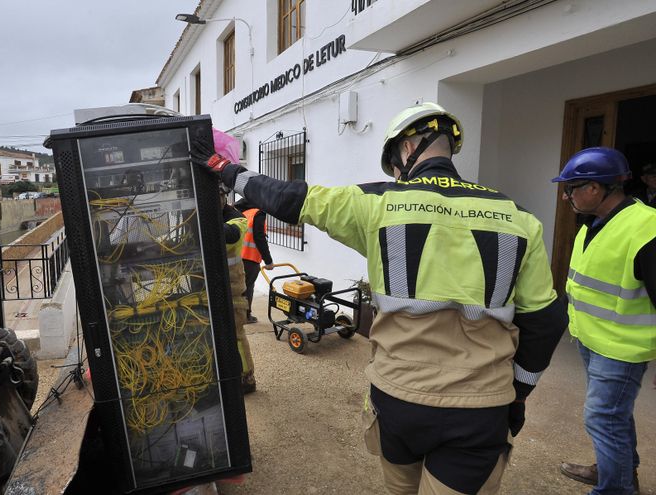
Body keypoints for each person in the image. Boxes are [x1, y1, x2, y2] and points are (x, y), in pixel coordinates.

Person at [197, 102, 567, 494]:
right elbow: (546, 321)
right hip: (480, 410)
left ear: (406, 150)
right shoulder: (519, 218)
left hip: (397, 400)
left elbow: (289, 198)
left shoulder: (377, 204)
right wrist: (518, 393)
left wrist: (225, 169)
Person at [552, 147, 656, 495]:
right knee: (614, 415)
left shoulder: (646, 227)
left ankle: (616, 488)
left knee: (602, 417)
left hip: (622, 349)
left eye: (571, 188)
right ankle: (621, 473)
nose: (566, 196)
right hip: (592, 340)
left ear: (595, 188)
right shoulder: (594, 224)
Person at [221, 186, 257, 394]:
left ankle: (247, 378)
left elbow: (231, 235)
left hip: (233, 291)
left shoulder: (237, 218)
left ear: (223, 197)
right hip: (212, 287)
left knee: (236, 334)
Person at [233, 197, 274, 323]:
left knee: (237, 286)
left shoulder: (237, 211)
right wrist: (268, 261)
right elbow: (259, 237)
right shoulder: (258, 213)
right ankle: (245, 316)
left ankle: (234, 314)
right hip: (250, 258)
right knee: (247, 287)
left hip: (235, 255)